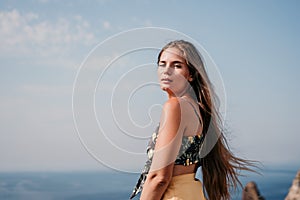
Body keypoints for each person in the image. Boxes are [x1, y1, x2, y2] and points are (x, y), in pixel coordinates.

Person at [130, 40, 255, 200]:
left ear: (191, 74)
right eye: (162, 64)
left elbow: (159, 178)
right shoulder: (198, 109)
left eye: (177, 65)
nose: (166, 71)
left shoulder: (175, 106)